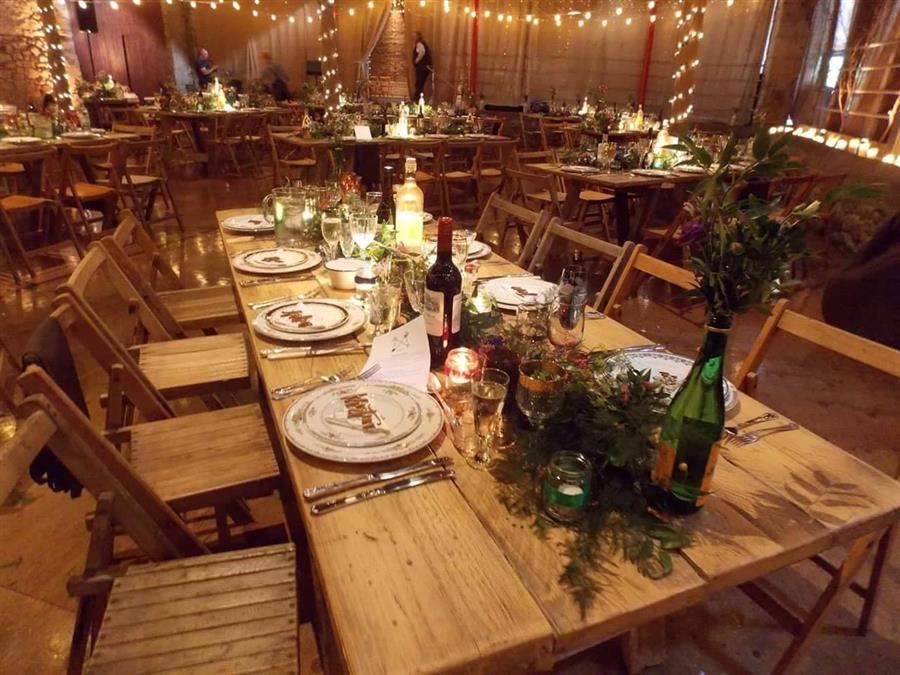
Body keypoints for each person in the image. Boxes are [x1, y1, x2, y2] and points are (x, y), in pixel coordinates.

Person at [412, 31, 432, 103]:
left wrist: (416, 60)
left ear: (418, 36)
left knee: (419, 84)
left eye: (414, 35)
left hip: (422, 67)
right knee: (420, 85)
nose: (413, 37)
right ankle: (418, 99)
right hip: (424, 67)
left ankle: (416, 100)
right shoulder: (421, 43)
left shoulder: (419, 43)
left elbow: (422, 52)